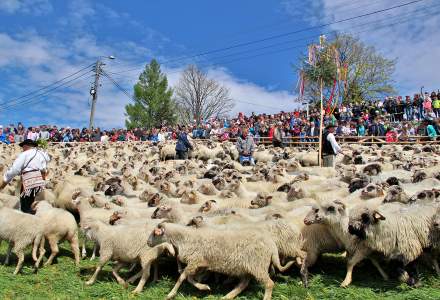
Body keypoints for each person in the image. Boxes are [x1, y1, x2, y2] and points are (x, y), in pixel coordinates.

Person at [0, 139, 50, 213]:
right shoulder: (42, 154)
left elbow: (15, 169)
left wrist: (4, 181)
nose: (22, 149)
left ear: (26, 146)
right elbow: (45, 168)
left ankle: (27, 220)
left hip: (29, 179)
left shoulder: (25, 154)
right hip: (40, 180)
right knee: (36, 204)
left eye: (23, 147)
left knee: (26, 204)